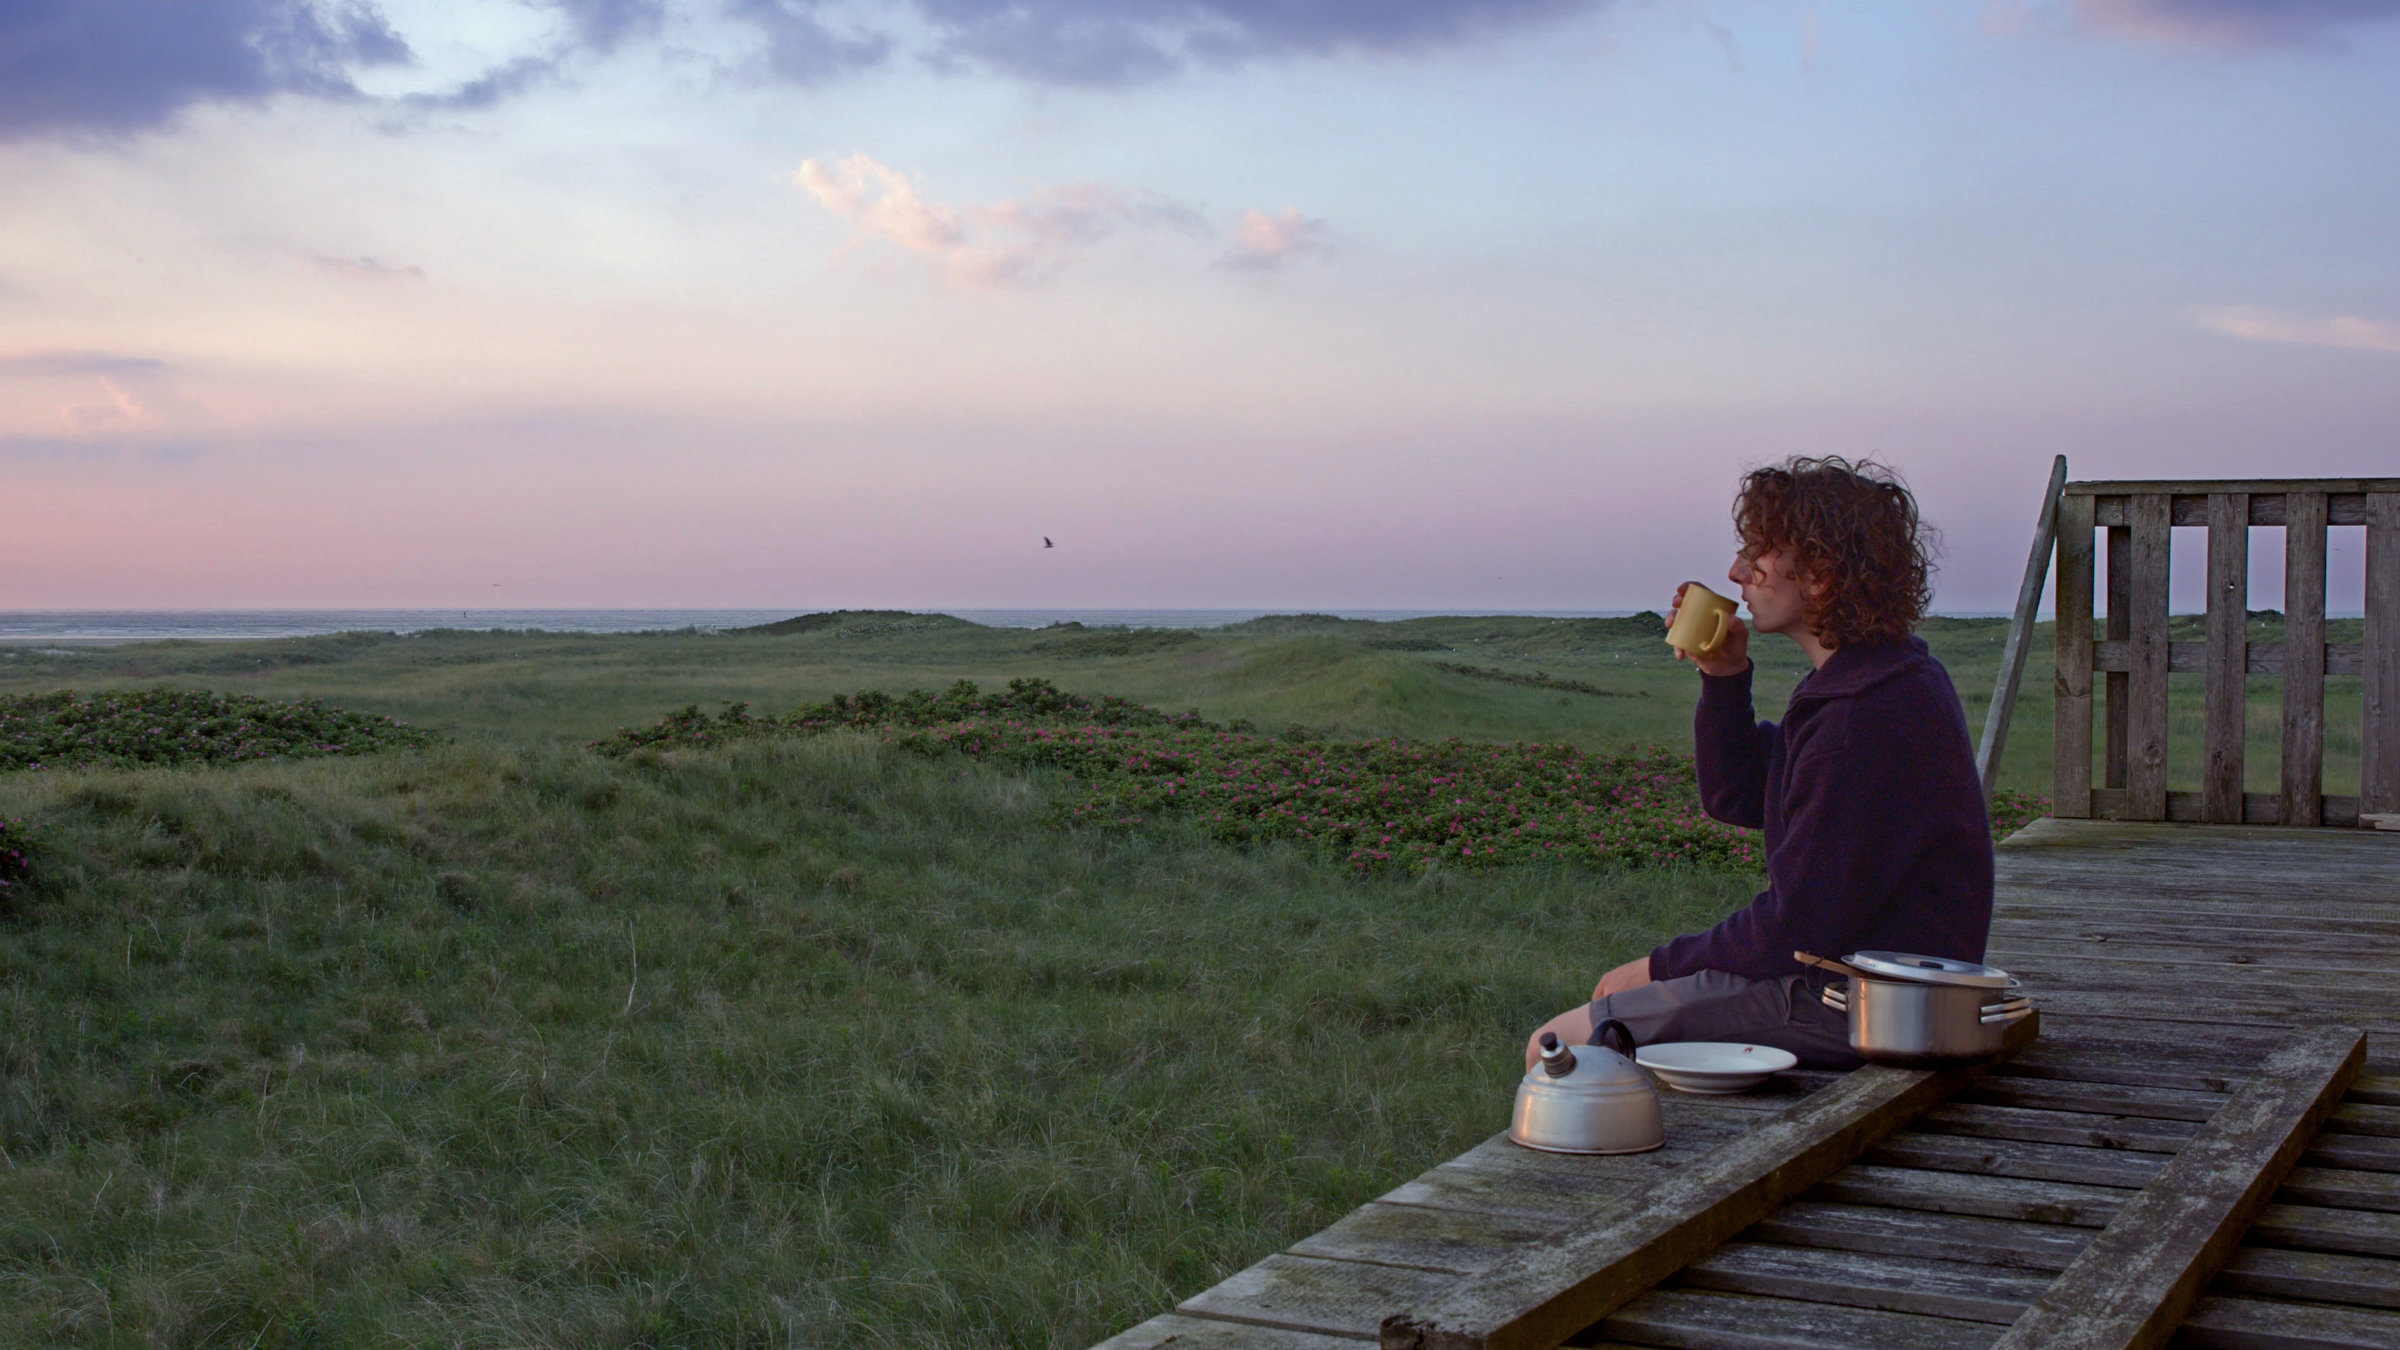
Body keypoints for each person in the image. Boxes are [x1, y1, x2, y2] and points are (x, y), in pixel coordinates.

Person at [1526, 456, 1994, 1070]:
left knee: (1555, 1045)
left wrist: (1660, 965)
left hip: (1861, 1004)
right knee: (1615, 1015)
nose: (1737, 571)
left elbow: (1797, 926)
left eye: (1759, 552)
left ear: (1823, 572)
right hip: (1871, 986)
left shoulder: (1862, 715)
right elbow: (1741, 795)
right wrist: (1723, 677)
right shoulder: (1883, 681)